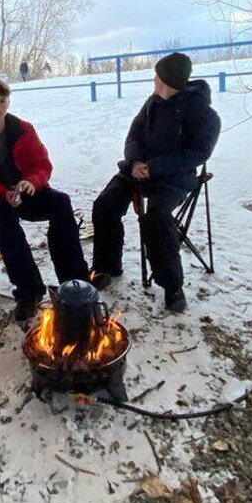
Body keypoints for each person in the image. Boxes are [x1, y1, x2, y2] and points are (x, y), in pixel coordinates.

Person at [0, 78, 109, 321]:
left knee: (60, 202)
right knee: (2, 219)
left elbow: (42, 163)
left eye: (2, 101)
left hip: (26, 190)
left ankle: (74, 278)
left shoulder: (23, 129)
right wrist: (3, 192)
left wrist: (31, 181)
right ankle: (28, 290)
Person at [91, 53, 220, 313]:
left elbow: (198, 154)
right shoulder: (153, 102)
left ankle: (172, 285)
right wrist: (136, 162)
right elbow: (133, 135)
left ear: (166, 80)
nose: (153, 79)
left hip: (173, 177)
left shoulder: (204, 114)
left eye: (157, 75)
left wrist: (156, 168)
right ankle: (106, 267)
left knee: (158, 217)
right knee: (105, 204)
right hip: (137, 170)